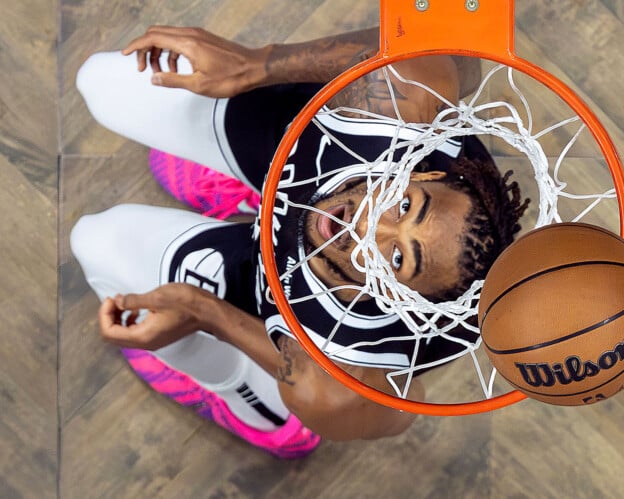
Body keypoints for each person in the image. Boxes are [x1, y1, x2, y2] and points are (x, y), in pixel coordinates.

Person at [71, 26, 528, 456]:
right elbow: (456, 61)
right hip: (286, 149)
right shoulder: (400, 103)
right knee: (99, 82)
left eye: (396, 257)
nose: (365, 226)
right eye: (406, 207)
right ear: (424, 174)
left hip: (260, 287)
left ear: (406, 303)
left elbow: (390, 415)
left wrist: (201, 313)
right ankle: (250, 192)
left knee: (96, 242)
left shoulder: (340, 372)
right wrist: (254, 64)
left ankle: (254, 409)